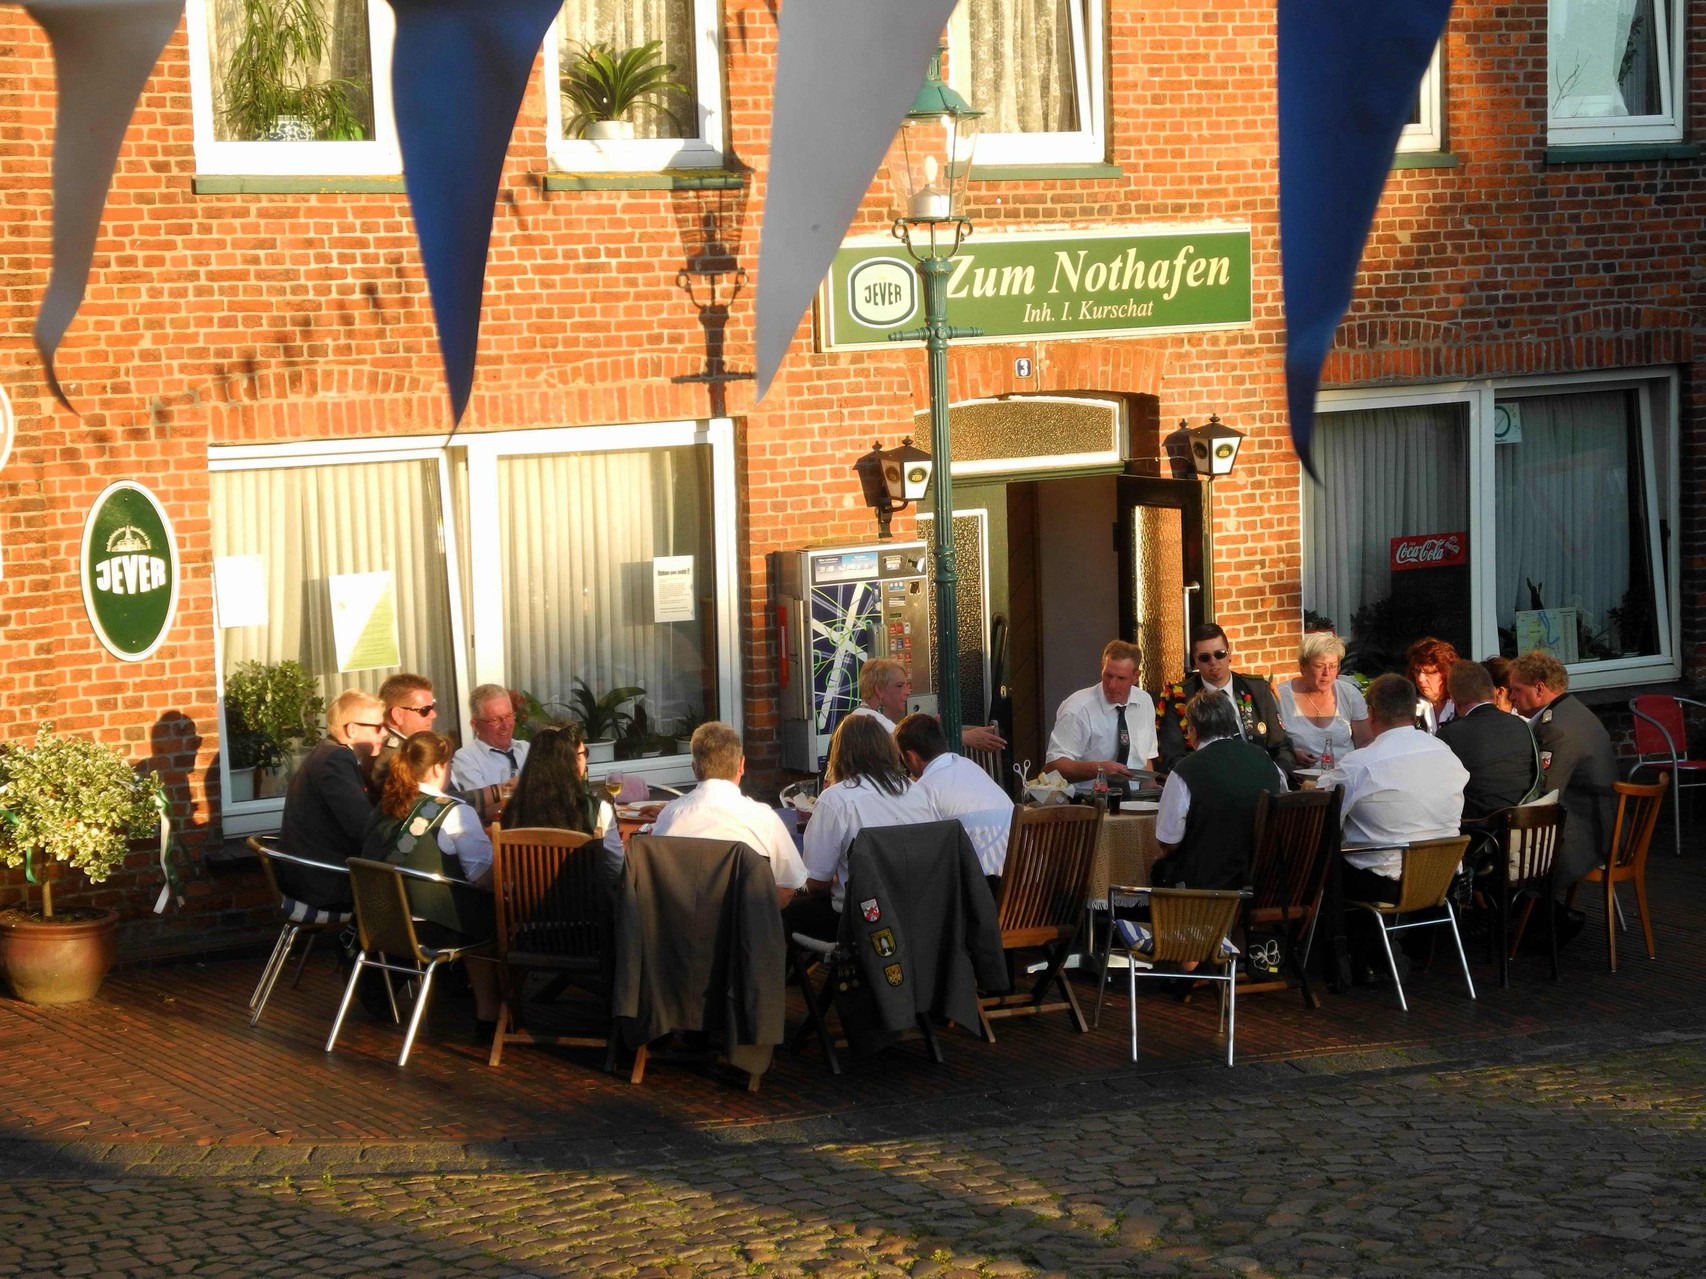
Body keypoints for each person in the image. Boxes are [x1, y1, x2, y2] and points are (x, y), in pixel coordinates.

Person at [361, 731, 500, 1032]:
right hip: (428, 929)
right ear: (439, 768)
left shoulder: (384, 806)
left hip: (381, 924)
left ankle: (451, 998)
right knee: (494, 916)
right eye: (448, 763)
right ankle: (492, 1017)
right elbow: (484, 878)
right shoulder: (455, 811)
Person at [1319, 673, 1469, 901]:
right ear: (1413, 710)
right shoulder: (1445, 753)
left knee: (1319, 859)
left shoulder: (1360, 763)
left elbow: (1323, 814)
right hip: (1443, 879)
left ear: (1371, 714)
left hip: (1386, 885)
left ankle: (1321, 936)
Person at [791, 712, 937, 940]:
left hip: (862, 923)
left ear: (840, 753)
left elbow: (818, 883)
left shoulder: (835, 799)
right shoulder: (917, 793)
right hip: (918, 918)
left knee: (775, 909)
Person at [651, 721, 807, 908]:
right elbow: (787, 890)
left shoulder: (669, 817)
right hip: (746, 934)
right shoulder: (763, 819)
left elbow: (656, 885)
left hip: (681, 933)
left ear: (694, 769)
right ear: (741, 764)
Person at [1151, 691, 1286, 891]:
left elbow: (1168, 841)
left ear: (1192, 730)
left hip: (1209, 890)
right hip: (1267, 886)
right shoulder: (1264, 759)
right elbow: (1283, 802)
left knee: (1157, 869)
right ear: (1232, 724)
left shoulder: (1184, 772)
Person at [1509, 650, 1618, 893]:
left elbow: (1546, 792)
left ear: (1539, 689)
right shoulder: (1571, 710)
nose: (1511, 697)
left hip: (1586, 835)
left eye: (1516, 689)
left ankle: (1537, 918)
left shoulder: (1556, 729)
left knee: (1500, 847)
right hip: (1599, 823)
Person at [276, 689, 388, 910]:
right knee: (412, 892)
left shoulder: (326, 753)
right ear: (352, 729)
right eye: (377, 727)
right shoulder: (336, 759)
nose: (385, 733)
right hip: (328, 884)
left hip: (312, 877)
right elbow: (363, 827)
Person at [1155, 624, 1295, 776]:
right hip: (1208, 782)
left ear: (1229, 654)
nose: (1213, 662)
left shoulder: (1257, 689)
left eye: (1219, 654)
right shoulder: (1179, 697)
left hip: (1259, 778)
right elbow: (1172, 756)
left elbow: (1282, 746)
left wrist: (1275, 775)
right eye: (1204, 657)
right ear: (1195, 661)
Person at [894, 712, 1014, 887]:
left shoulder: (923, 791)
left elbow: (920, 854)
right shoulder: (968, 765)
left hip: (986, 889)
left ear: (911, 757)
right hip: (1025, 879)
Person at [502, 720, 625, 884]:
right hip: (584, 908)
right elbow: (618, 871)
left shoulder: (514, 809)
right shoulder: (598, 810)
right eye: (584, 753)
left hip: (526, 909)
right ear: (572, 761)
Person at [1043, 639, 1158, 784]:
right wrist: (1098, 769)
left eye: (1121, 678)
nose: (1112, 685)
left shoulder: (1144, 702)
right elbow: (1053, 768)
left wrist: (1150, 788)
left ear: (1136, 677)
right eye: (1108, 675)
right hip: (1088, 800)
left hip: (1135, 800)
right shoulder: (1079, 708)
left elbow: (1145, 757)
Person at [1437, 660, 1540, 820]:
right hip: (1526, 828)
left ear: (1455, 701)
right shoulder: (1520, 725)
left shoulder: (1450, 734)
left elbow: (1440, 790)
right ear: (1493, 693)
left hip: (1480, 833)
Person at [851, 656, 1006, 754]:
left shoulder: (865, 716)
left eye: (907, 685)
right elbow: (907, 742)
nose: (907, 692)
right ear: (879, 690)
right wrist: (963, 737)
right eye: (899, 686)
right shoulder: (866, 719)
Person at [1275, 631, 1371, 768]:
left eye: (1333, 666)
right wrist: (1291, 754)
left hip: (1344, 779)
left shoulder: (1349, 694)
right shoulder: (1280, 696)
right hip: (1298, 782)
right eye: (1319, 666)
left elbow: (1365, 742)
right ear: (1303, 667)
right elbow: (1271, 745)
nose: (1327, 673)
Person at [451, 684, 530, 823]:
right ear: (475, 725)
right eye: (495, 720)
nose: (506, 725)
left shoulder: (526, 748)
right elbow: (481, 812)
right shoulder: (465, 759)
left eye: (509, 716)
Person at [366, 672, 440, 789]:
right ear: (398, 715)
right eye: (425, 710)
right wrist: (478, 797)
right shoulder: (392, 755)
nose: (433, 715)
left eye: (433, 707)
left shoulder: (409, 746)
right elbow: (412, 800)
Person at [1407, 636, 1460, 734]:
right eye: (1417, 672)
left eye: (1429, 672)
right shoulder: (1411, 707)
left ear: (1446, 673)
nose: (1420, 679)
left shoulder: (1462, 706)